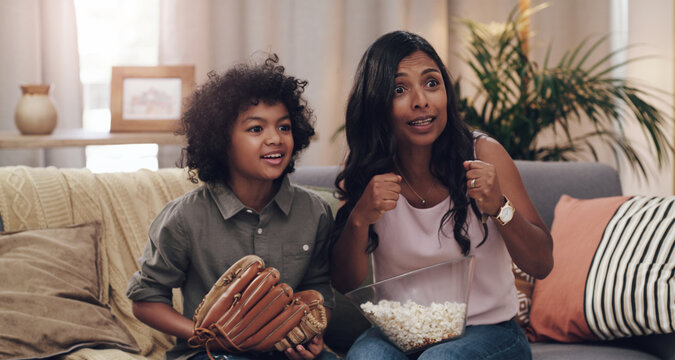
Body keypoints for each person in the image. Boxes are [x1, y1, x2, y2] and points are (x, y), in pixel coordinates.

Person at [330, 31, 554, 359]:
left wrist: (499, 207)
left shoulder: (485, 154)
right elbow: (345, 282)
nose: (421, 100)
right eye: (399, 89)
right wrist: (360, 217)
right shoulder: (366, 173)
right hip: (400, 332)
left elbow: (542, 262)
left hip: (490, 331)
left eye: (431, 83)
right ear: (377, 103)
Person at [126, 55, 337, 360]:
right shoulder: (184, 217)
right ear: (221, 141)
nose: (275, 139)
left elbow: (320, 291)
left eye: (284, 127)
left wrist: (312, 332)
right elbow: (145, 299)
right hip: (210, 354)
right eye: (256, 129)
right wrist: (205, 336)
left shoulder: (315, 212)